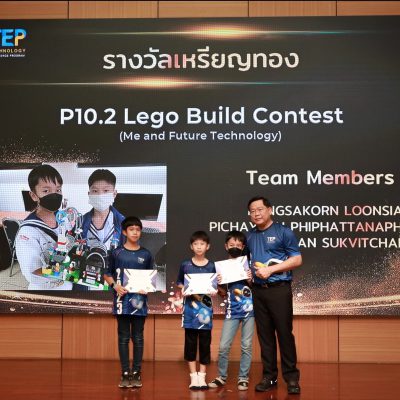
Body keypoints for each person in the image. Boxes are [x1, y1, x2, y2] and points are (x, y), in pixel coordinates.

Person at [246, 196, 302, 395]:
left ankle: (292, 378)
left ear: (270, 210)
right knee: (265, 336)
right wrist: (248, 274)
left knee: (284, 334)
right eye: (252, 211)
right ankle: (269, 376)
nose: (256, 214)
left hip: (279, 289)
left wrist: (271, 270)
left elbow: (297, 259)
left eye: (260, 209)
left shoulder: (283, 232)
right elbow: (247, 261)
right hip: (258, 291)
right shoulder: (249, 236)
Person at [104, 216, 154, 389]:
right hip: (122, 301)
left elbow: (150, 278)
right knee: (123, 338)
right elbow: (107, 274)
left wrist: (146, 287)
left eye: (138, 229)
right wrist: (115, 286)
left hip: (139, 302)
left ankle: (137, 372)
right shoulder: (116, 252)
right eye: (131, 229)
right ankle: (125, 373)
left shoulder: (146, 254)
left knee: (138, 338)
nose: (135, 232)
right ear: (125, 232)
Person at [208, 230, 254, 391]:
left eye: (238, 245)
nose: (235, 247)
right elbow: (220, 292)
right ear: (226, 246)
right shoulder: (221, 267)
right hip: (231, 310)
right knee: (223, 346)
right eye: (232, 244)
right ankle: (221, 377)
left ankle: (243, 378)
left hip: (250, 310)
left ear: (243, 247)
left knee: (246, 345)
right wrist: (218, 283)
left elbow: (256, 286)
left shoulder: (249, 264)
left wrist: (250, 279)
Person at [15, 164, 72, 290]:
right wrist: (65, 271)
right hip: (46, 288)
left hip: (68, 283)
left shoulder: (63, 218)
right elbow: (33, 272)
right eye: (46, 191)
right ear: (34, 195)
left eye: (58, 190)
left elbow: (69, 241)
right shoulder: (28, 232)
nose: (54, 195)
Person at [176, 231, 216, 390]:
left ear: (208, 246)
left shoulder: (212, 265)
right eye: (196, 244)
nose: (199, 247)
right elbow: (180, 282)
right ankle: (193, 377)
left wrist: (215, 289)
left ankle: (202, 377)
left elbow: (215, 286)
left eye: (202, 244)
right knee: (190, 343)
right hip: (190, 312)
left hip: (206, 311)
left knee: (205, 344)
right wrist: (183, 288)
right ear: (191, 246)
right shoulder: (185, 265)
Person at [82, 169, 124, 251]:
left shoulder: (123, 224)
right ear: (89, 194)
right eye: (95, 191)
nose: (100, 195)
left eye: (106, 191)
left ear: (114, 194)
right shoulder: (80, 222)